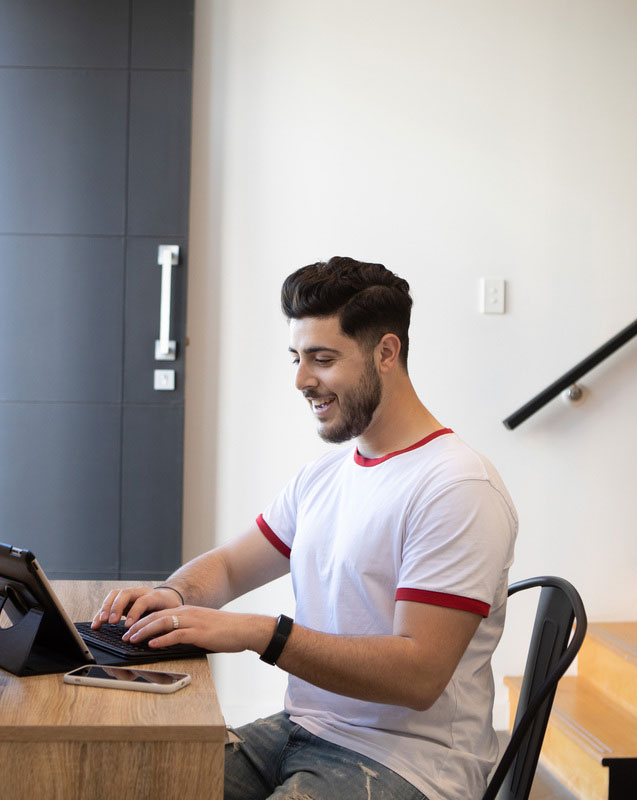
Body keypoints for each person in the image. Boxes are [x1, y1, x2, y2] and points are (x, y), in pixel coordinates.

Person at [92, 257, 518, 800]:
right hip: (302, 730)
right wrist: (170, 594)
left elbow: (418, 675)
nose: (301, 380)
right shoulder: (325, 477)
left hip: (411, 763)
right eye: (297, 357)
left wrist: (259, 633)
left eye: (322, 358)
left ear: (386, 352)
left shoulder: (457, 488)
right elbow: (227, 566)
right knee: (131, 783)